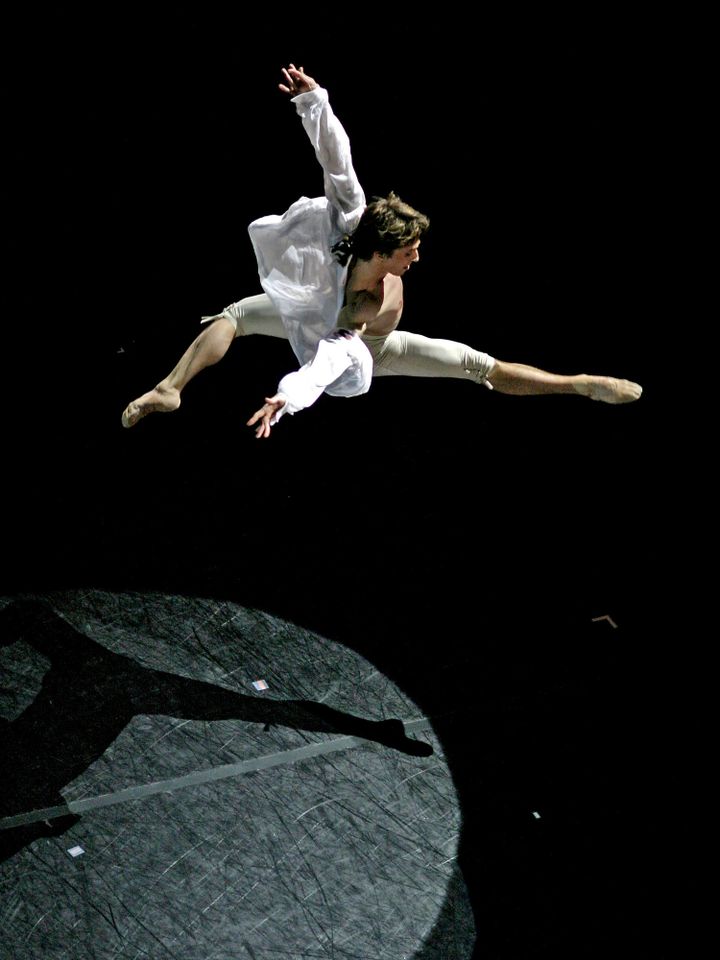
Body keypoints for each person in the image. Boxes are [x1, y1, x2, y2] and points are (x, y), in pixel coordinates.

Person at [121, 64, 642, 437]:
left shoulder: (376, 304)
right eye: (410, 250)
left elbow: (330, 360)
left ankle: (578, 385)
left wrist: (289, 398)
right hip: (312, 311)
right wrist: (315, 101)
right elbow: (339, 166)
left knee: (477, 365)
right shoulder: (348, 226)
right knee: (233, 314)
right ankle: (169, 388)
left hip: (364, 352)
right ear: (384, 247)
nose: (416, 260)